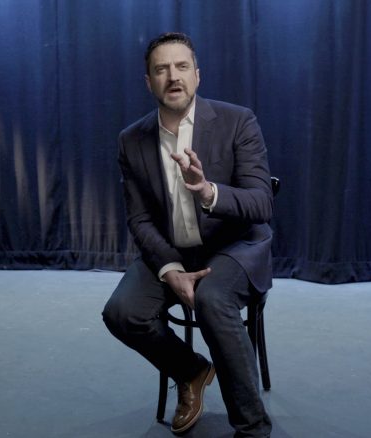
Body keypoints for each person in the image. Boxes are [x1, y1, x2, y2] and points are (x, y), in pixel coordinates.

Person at [102, 32, 273, 437]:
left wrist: (208, 191)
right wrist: (171, 269)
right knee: (121, 313)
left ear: (197, 75)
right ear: (149, 81)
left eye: (181, 67)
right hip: (173, 251)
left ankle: (252, 429)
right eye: (161, 69)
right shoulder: (131, 140)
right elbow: (140, 220)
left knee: (213, 299)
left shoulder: (237, 120)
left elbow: (261, 203)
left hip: (232, 248)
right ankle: (192, 370)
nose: (172, 76)